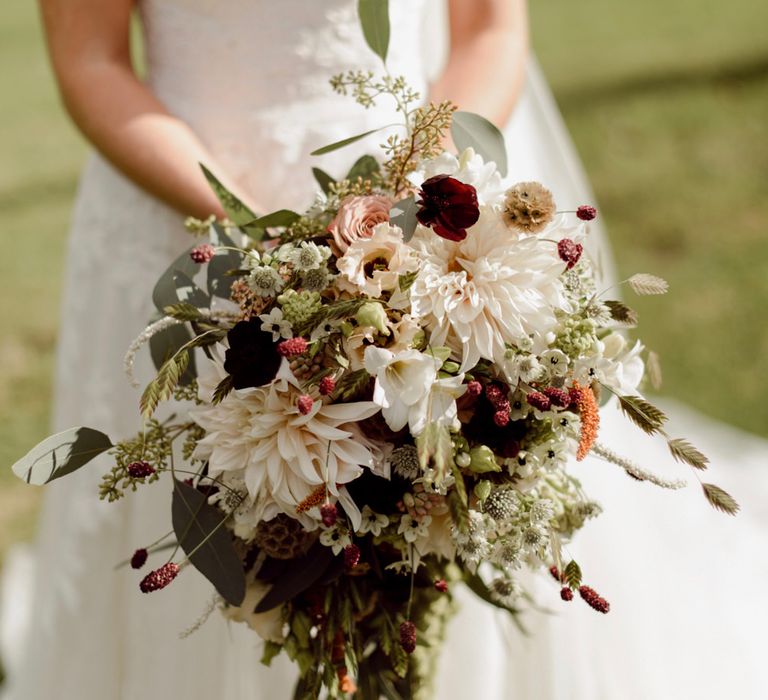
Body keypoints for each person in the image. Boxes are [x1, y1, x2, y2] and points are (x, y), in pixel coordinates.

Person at [3, 0, 766, 698]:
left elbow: (489, 29)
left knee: (441, 491)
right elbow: (90, 60)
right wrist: (251, 234)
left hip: (418, 196)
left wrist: (410, 207)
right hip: (182, 216)